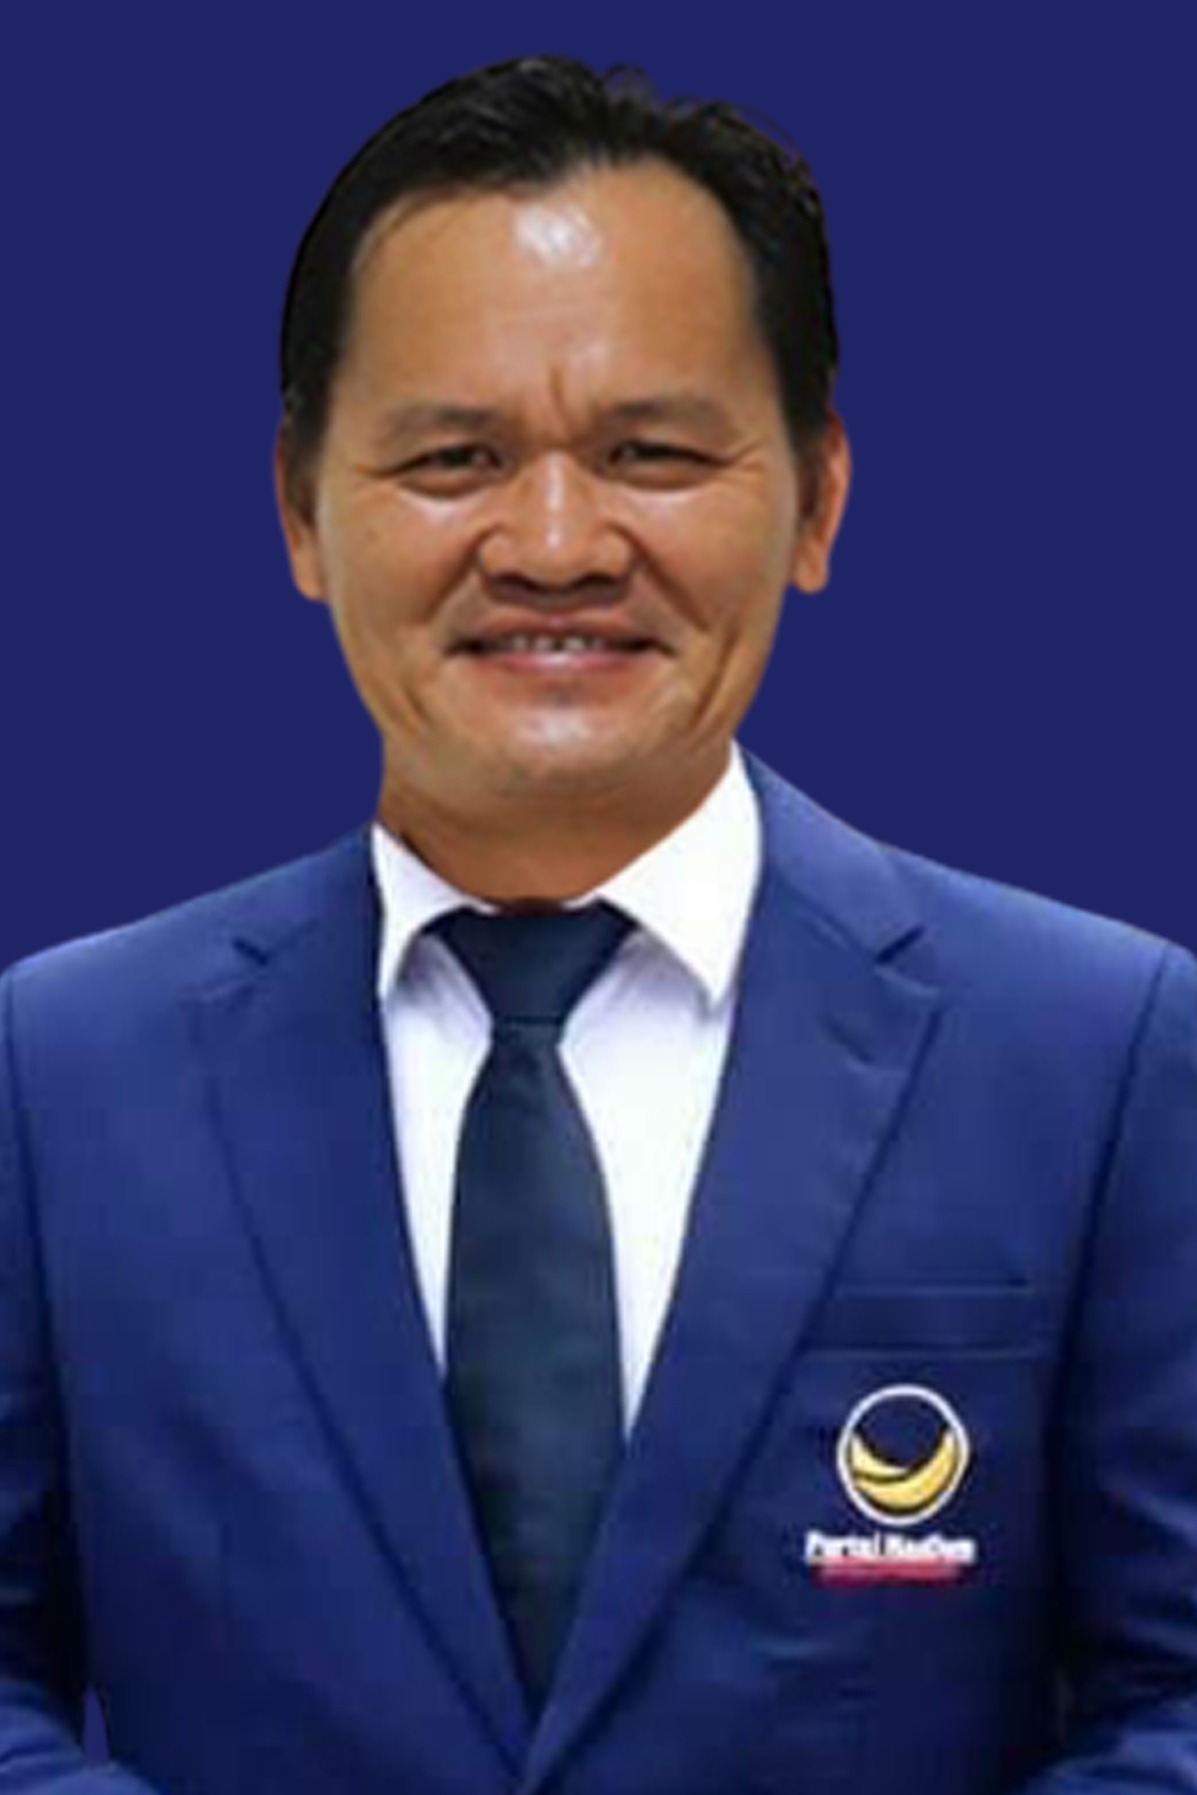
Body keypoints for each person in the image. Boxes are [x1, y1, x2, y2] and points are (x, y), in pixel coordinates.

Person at [1, 52, 1195, 1795]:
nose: (554, 544)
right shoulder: (60, 1072)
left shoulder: (1095, 1053)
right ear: (298, 508)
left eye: (650, 453)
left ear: (818, 494)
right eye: (453, 457)